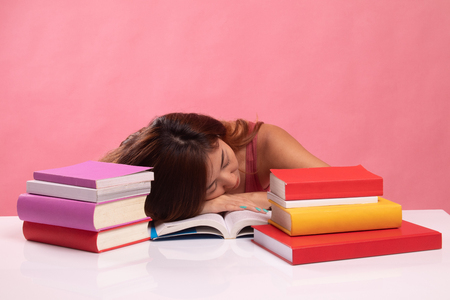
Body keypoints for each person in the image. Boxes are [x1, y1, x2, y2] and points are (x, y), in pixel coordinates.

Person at [100, 113, 329, 222]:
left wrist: (251, 199)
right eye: (211, 186)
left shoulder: (264, 142)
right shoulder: (155, 175)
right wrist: (198, 208)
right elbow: (106, 217)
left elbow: (348, 190)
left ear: (216, 136)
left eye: (225, 162)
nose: (230, 181)